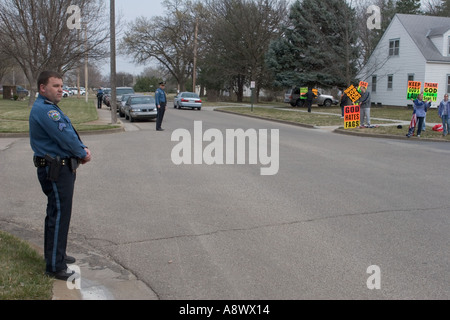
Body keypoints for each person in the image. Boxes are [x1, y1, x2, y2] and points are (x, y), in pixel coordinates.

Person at [29, 71, 92, 281]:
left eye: (61, 85)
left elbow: (67, 134)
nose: (60, 89)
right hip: (55, 169)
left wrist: (79, 150)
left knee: (58, 214)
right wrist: (82, 152)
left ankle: (58, 255)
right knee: (58, 215)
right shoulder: (46, 111)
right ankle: (55, 266)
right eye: (55, 86)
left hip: (59, 167)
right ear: (42, 88)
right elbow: (64, 136)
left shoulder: (47, 108)